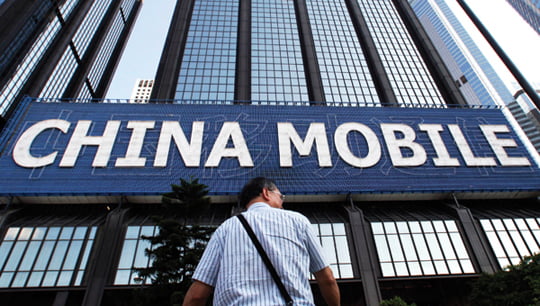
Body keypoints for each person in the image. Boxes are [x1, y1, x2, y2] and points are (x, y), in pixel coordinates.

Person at [183, 177, 340, 306]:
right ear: (266, 193)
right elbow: (327, 279)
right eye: (280, 196)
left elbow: (196, 296)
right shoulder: (298, 221)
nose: (282, 202)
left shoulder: (224, 229)